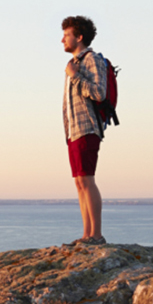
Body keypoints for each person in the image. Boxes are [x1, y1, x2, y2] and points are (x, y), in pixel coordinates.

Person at [62, 15, 107, 245]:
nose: (62, 40)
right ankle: (86, 234)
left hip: (88, 128)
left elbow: (99, 93)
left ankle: (96, 235)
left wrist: (75, 77)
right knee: (80, 182)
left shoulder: (92, 60)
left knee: (87, 180)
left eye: (67, 35)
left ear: (79, 37)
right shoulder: (74, 64)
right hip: (75, 131)